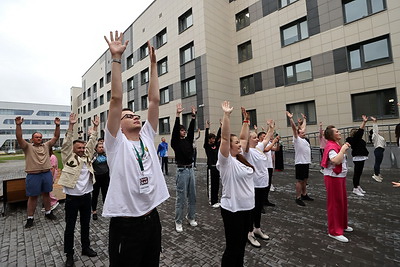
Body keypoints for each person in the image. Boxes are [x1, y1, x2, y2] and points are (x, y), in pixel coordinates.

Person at [102, 32, 169, 267]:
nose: (134, 116)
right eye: (128, 116)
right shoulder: (115, 143)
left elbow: (154, 101)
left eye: (135, 114)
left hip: (152, 219)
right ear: (118, 125)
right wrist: (116, 59)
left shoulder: (147, 137)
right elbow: (116, 100)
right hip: (126, 224)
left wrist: (153, 65)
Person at [58, 113, 99, 267]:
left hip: (86, 197)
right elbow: (67, 143)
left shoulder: (87, 156)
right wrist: (71, 125)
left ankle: (85, 248)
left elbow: (92, 141)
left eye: (83, 147)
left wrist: (95, 127)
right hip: (72, 198)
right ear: (73, 150)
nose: (82, 149)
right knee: (70, 227)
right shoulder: (68, 157)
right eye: (79, 148)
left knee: (85, 224)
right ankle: (69, 254)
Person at [217, 101, 254, 266]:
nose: (240, 144)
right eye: (237, 142)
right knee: (233, 247)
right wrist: (227, 115)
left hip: (247, 209)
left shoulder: (240, 159)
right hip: (233, 210)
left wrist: (246, 121)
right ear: (229, 146)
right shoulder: (226, 162)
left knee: (241, 246)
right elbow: (225, 138)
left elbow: (245, 138)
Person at [15, 116, 60, 228]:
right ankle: (30, 218)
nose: (39, 138)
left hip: (46, 174)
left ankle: (48, 212)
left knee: (46, 194)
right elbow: (19, 137)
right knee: (33, 197)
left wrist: (57, 125)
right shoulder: (27, 147)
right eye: (36, 137)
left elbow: (56, 136)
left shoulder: (46, 146)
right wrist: (18, 125)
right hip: (33, 175)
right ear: (32, 139)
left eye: (40, 137)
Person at [244, 120, 276, 248]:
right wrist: (246, 122)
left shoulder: (258, 149)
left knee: (258, 209)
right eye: (254, 137)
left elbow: (266, 138)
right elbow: (244, 140)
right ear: (248, 139)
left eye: (257, 137)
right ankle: (249, 232)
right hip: (254, 185)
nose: (257, 139)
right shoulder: (247, 152)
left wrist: (271, 128)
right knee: (252, 210)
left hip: (263, 184)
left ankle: (257, 228)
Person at [321, 125, 354, 243]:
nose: (339, 133)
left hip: (339, 177)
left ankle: (342, 225)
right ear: (331, 135)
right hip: (333, 178)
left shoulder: (335, 145)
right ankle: (334, 231)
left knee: (342, 202)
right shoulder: (331, 146)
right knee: (335, 203)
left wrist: (342, 148)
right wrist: (343, 149)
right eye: (337, 131)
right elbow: (335, 160)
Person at [171, 103, 198, 232]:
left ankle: (191, 217)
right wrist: (177, 115)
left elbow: (191, 130)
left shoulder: (188, 140)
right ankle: (178, 221)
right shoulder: (175, 142)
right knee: (181, 197)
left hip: (190, 169)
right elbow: (175, 130)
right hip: (181, 171)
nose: (184, 131)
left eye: (184, 130)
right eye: (182, 130)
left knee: (192, 195)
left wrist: (193, 117)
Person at [286, 112, 313, 206]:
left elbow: (303, 127)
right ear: (297, 134)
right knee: (300, 181)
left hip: (306, 162)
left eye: (304, 132)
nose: (304, 133)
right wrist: (291, 119)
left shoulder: (304, 139)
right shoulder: (297, 139)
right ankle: (298, 197)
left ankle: (304, 194)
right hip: (300, 163)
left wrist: (305, 119)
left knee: (305, 180)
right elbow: (294, 128)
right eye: (301, 132)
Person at [345, 115, 369, 197]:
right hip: (358, 157)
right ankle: (355, 188)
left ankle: (358, 186)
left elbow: (360, 132)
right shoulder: (354, 139)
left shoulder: (358, 140)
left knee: (359, 172)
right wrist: (364, 122)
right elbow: (360, 131)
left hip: (361, 156)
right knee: (357, 173)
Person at [204, 119, 221, 208]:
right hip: (210, 168)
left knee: (217, 184)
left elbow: (219, 137)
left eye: (214, 138)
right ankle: (211, 201)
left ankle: (216, 200)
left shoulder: (216, 145)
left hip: (217, 168)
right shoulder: (207, 146)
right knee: (211, 184)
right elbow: (205, 138)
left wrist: (221, 127)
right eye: (212, 138)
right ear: (209, 139)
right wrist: (207, 128)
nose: (214, 140)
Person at [91, 141, 110, 220]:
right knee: (95, 195)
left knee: (105, 194)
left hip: (105, 177)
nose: (101, 148)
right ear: (96, 148)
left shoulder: (107, 155)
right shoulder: (94, 156)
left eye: (102, 147)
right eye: (100, 147)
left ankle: (106, 209)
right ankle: (94, 211)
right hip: (96, 178)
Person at [369, 117, 385, 182]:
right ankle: (376, 175)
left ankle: (377, 174)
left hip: (381, 150)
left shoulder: (378, 136)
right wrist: (374, 122)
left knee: (378, 163)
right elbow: (375, 130)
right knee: (377, 163)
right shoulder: (375, 136)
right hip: (378, 150)